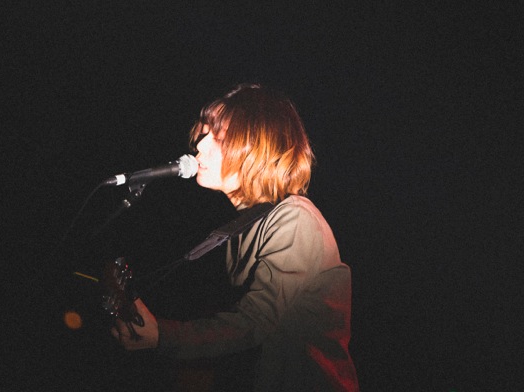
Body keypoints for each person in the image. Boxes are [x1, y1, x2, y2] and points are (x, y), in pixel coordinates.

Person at [111, 83, 359, 391]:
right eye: (203, 133)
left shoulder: (295, 218)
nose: (200, 145)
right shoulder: (239, 229)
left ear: (259, 147)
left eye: (219, 137)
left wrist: (163, 335)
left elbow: (254, 322)